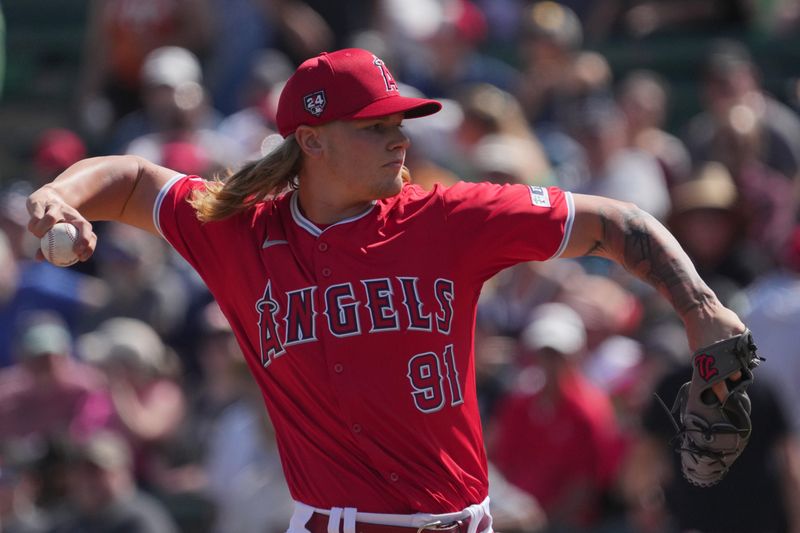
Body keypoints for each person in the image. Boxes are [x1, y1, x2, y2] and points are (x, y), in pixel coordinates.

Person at [26, 47, 747, 533]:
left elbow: (615, 222)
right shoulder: (238, 232)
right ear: (311, 141)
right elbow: (127, 178)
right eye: (375, 126)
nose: (399, 137)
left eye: (399, 120)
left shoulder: (451, 219)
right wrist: (60, 195)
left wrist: (701, 307)